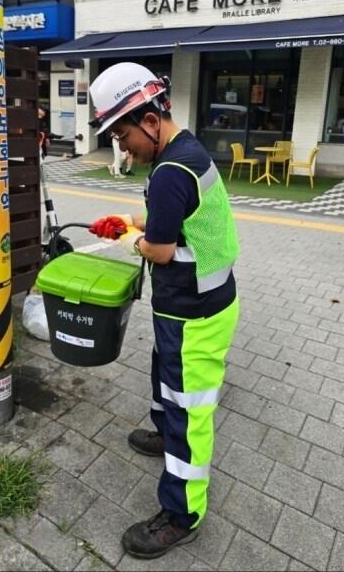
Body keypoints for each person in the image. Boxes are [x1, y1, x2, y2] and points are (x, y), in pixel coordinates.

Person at [85, 62, 240, 559]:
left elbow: (161, 248)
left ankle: (182, 514)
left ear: (150, 120)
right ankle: (160, 429)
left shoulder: (171, 170)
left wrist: (130, 238)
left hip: (194, 311)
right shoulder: (185, 151)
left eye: (122, 133)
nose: (122, 146)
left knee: (189, 412)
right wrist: (129, 219)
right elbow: (176, 218)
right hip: (194, 303)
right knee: (165, 378)